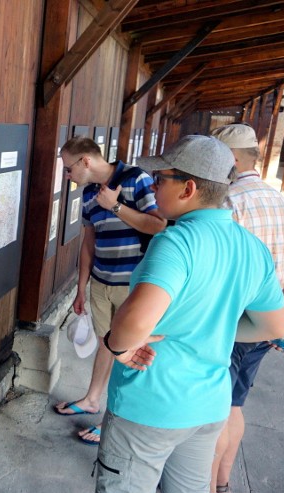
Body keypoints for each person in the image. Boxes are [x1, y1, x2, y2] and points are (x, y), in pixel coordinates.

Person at [95, 135, 284, 493]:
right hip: (208, 406)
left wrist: (116, 345)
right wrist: (212, 327)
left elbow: (136, 321)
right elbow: (271, 325)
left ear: (188, 188)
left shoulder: (176, 243)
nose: (152, 184)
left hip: (151, 402)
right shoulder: (250, 247)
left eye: (160, 177)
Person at [208, 123, 284, 493]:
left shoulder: (229, 204)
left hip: (229, 327)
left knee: (215, 411)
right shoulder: (282, 202)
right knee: (235, 406)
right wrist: (280, 315)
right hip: (265, 329)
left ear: (231, 160)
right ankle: (223, 485)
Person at [54, 137, 167, 446]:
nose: (67, 175)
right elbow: (89, 242)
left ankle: (113, 421)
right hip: (102, 283)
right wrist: (81, 287)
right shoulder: (89, 193)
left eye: (68, 168)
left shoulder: (136, 178)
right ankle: (92, 399)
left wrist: (115, 206)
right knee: (107, 344)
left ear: (85, 162)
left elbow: (158, 225)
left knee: (128, 352)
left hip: (133, 286)